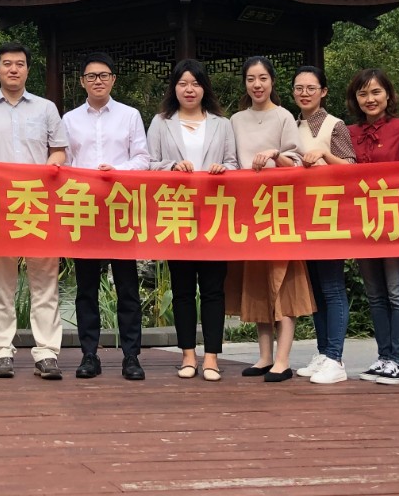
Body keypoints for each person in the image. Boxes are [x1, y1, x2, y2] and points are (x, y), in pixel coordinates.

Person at [0, 42, 68, 379]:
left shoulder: (46, 108)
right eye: (7, 64)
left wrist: (51, 165)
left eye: (20, 64)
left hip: (38, 204)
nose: (14, 69)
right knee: (1, 284)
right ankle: (1, 351)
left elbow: (59, 150)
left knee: (45, 282)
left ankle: (47, 353)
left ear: (28, 69)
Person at [146, 59, 237, 381]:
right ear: (174, 88)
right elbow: (149, 164)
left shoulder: (221, 124)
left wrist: (223, 169)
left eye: (195, 84)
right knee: (183, 289)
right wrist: (171, 166)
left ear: (204, 88)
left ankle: (211, 357)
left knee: (213, 289)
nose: (189, 90)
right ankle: (187, 355)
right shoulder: (161, 122)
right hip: (177, 214)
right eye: (183, 83)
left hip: (214, 215)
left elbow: (233, 164)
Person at [61, 52, 151, 381]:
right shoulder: (69, 119)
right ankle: (89, 354)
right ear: (82, 82)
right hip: (84, 210)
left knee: (127, 286)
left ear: (113, 79)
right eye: (91, 76)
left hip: (120, 207)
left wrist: (117, 171)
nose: (97, 81)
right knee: (86, 287)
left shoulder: (130, 115)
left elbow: (143, 159)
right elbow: (64, 163)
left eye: (103, 75)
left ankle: (131, 356)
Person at [225, 56, 310, 382]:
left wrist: (275, 155)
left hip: (280, 208)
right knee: (258, 281)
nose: (257, 85)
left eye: (262, 78)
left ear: (272, 81)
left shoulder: (284, 116)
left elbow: (298, 162)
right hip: (248, 209)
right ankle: (264, 356)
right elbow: (231, 161)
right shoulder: (235, 120)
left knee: (283, 280)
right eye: (251, 79)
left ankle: (283, 359)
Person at [346, 67, 399, 386]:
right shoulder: (348, 132)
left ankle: (397, 361)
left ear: (388, 95)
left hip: (394, 222)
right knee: (375, 294)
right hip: (362, 224)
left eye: (376, 92)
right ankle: (383, 356)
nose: (370, 99)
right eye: (363, 93)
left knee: (397, 291)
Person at [290, 64, 356, 387]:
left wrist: (325, 156)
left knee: (332, 286)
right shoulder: (291, 125)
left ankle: (336, 357)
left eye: (311, 88)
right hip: (302, 216)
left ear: (324, 92)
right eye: (299, 88)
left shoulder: (335, 125)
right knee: (315, 288)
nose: (304, 93)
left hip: (331, 216)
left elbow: (352, 168)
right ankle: (322, 352)